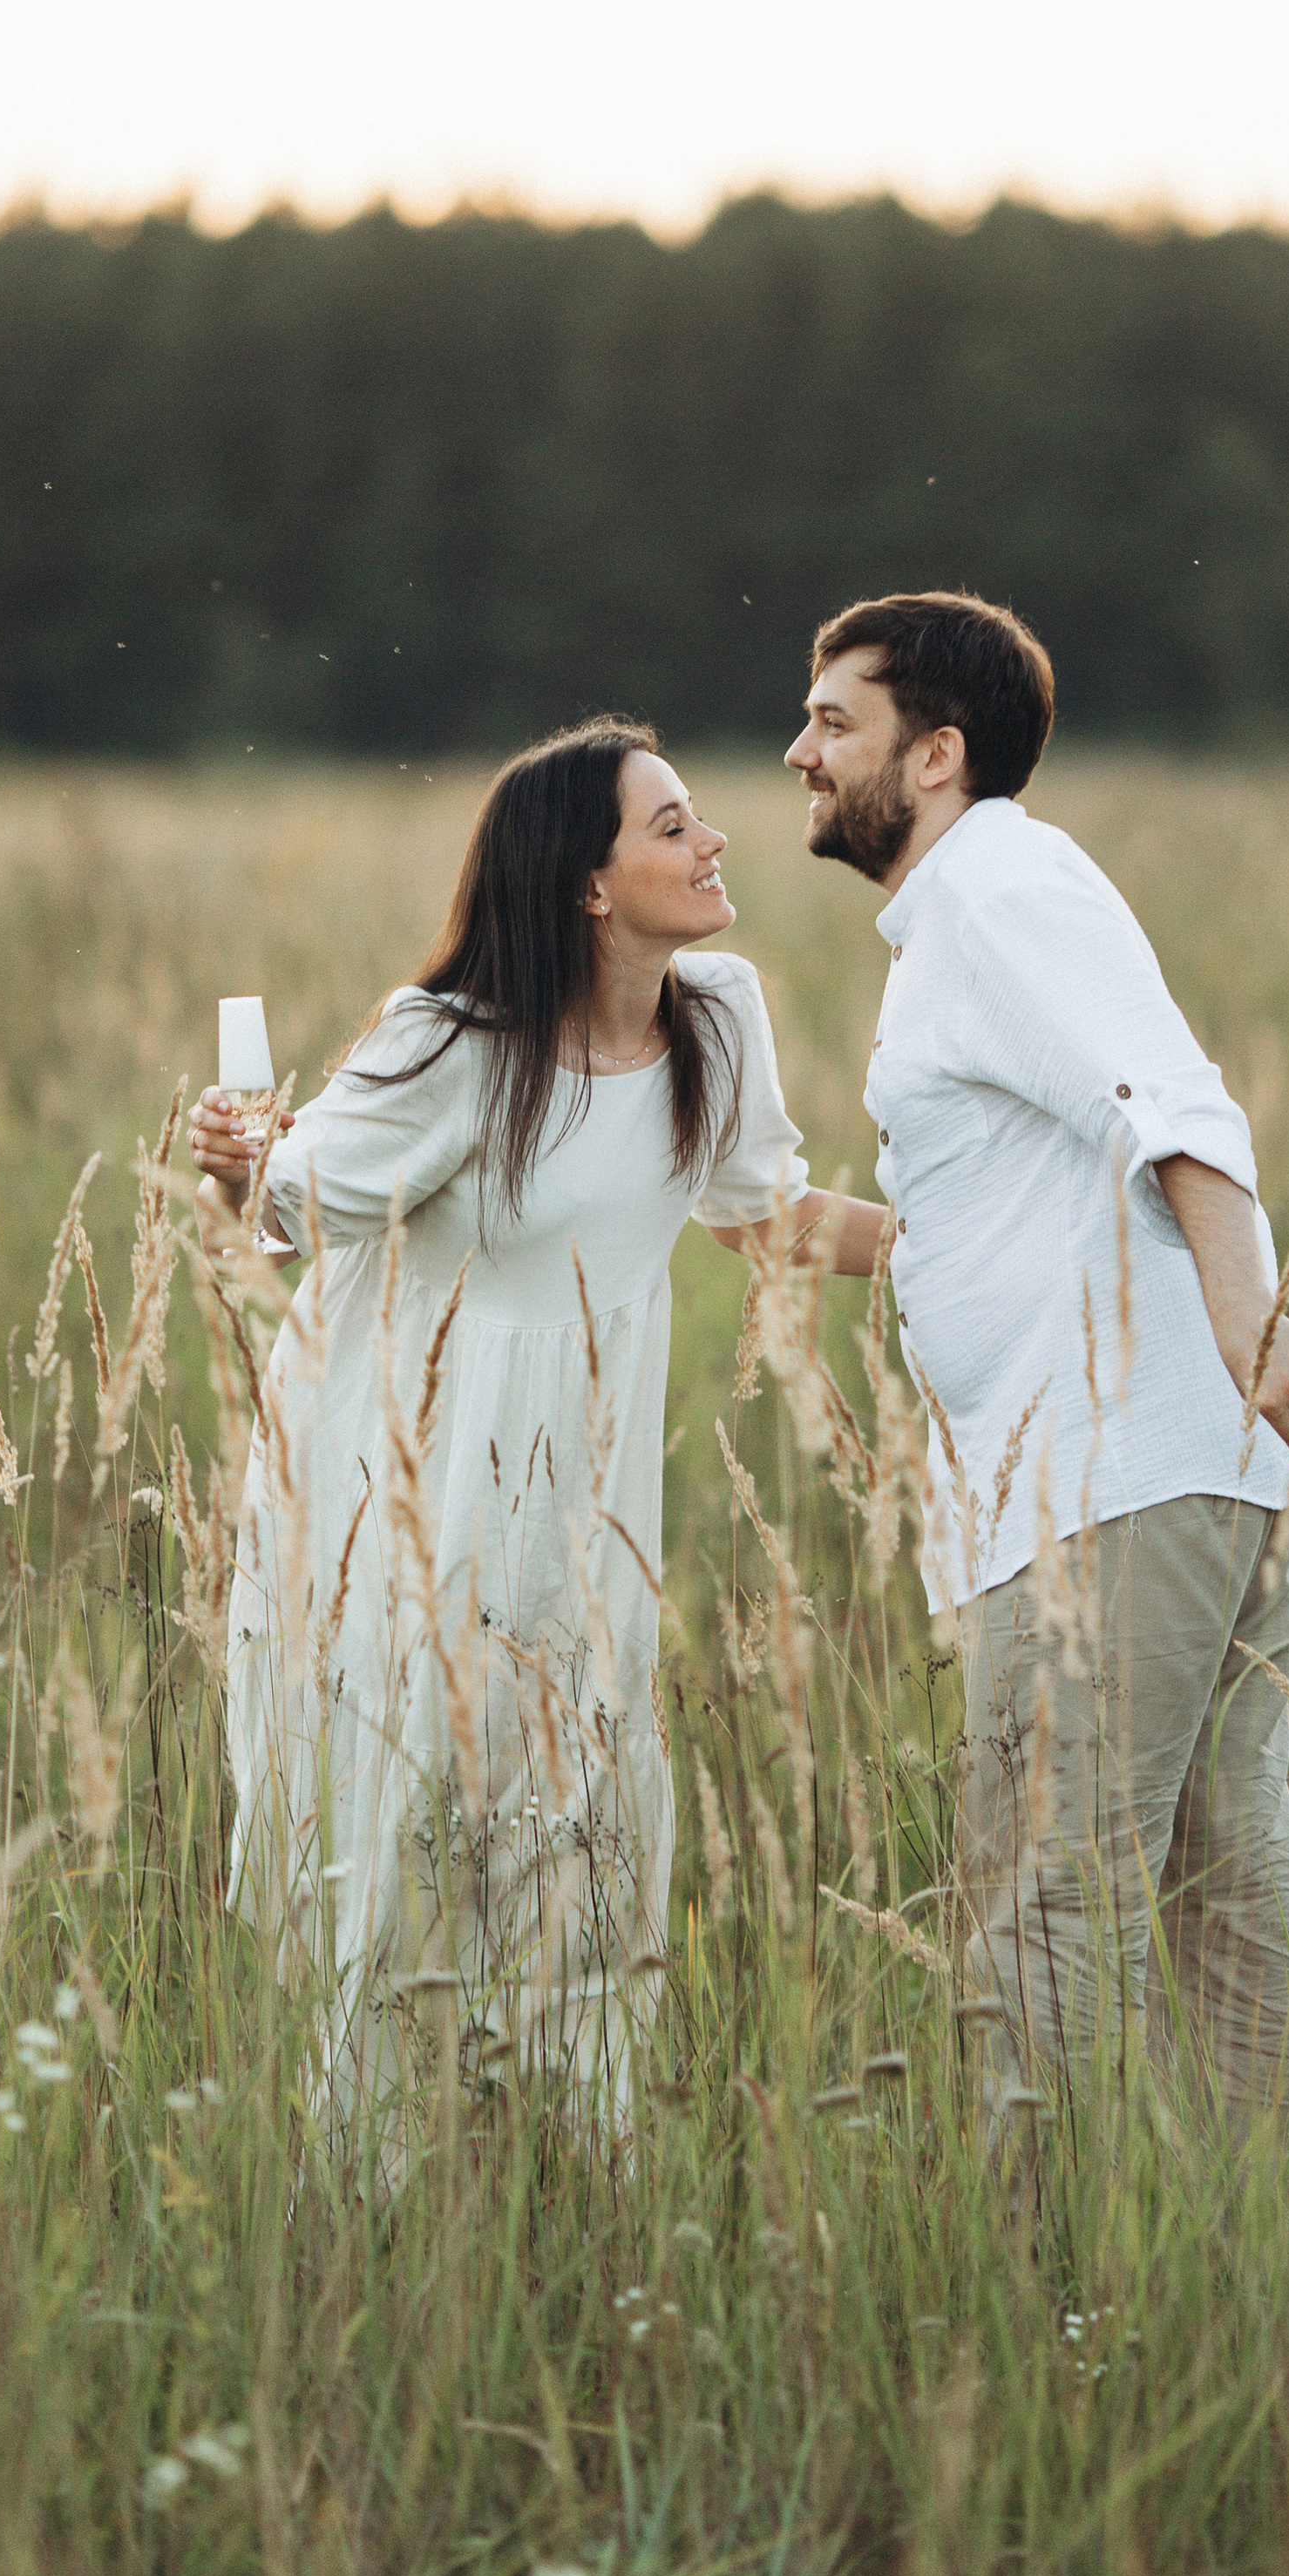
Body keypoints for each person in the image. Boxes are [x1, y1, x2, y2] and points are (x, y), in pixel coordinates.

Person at [188, 716, 884, 2133]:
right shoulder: (451, 1045)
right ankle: (374, 2187)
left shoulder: (715, 1015)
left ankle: (575, 2167)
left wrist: (981, 1242)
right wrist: (237, 1158)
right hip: (404, 1497)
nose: (714, 841)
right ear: (587, 885)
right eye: (674, 826)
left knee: (583, 1837)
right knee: (401, 1845)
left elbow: (771, 1216)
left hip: (583, 1504)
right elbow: (287, 1204)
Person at [784, 592, 1289, 2131]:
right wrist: (767, 1215)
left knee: (1049, 1911)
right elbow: (990, 1212)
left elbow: (1173, 1101)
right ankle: (1269, 2282)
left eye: (836, 721)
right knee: (1227, 1895)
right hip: (1165, 1473)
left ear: (938, 754)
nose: (800, 752)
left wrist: (1244, 1315)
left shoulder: (997, 893)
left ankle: (1059, 2303)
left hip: (1114, 1488)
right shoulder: (977, 914)